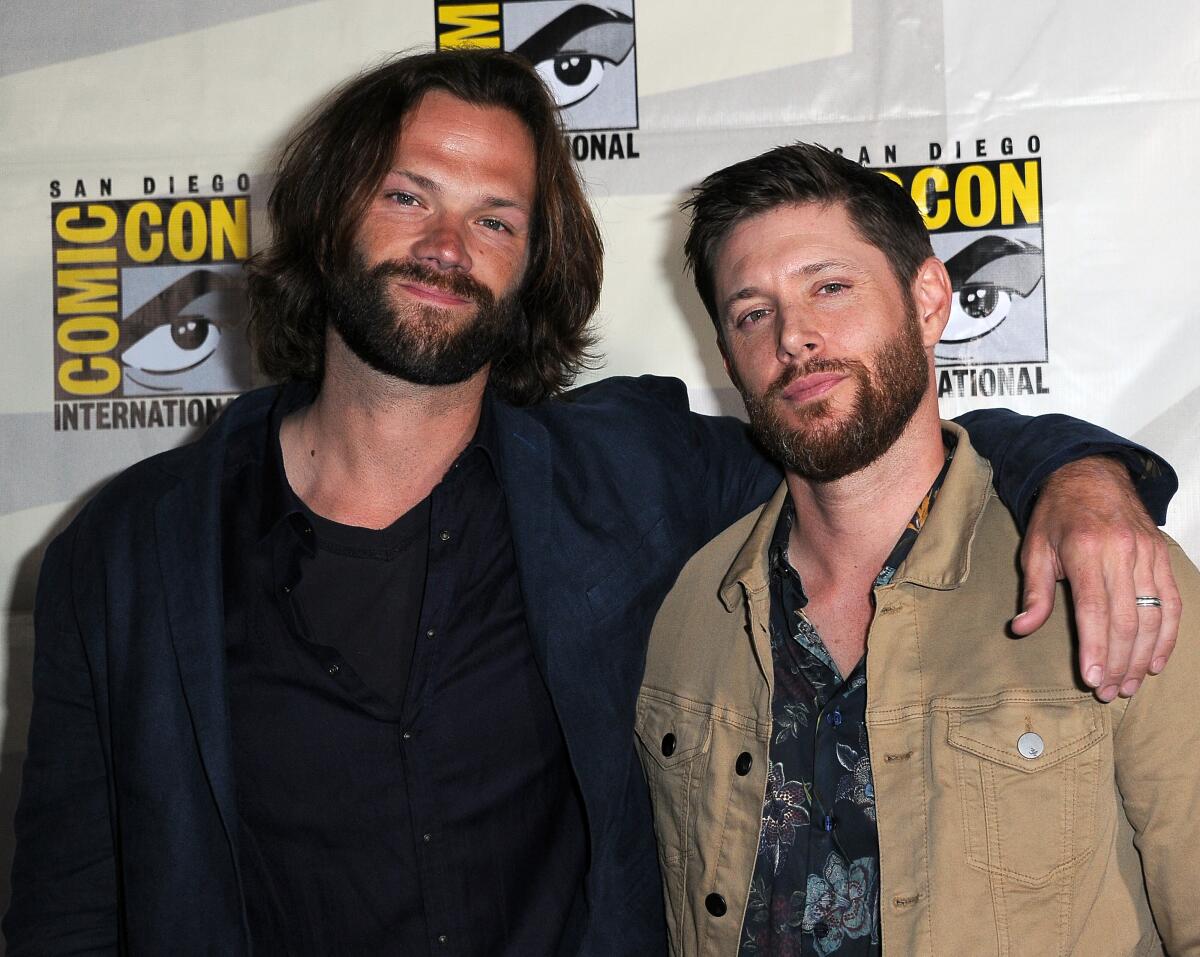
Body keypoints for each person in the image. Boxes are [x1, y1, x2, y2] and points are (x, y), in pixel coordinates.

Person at [3, 51, 1180, 957]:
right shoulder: (122, 553)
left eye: (497, 218)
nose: (448, 244)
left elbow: (860, 434)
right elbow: (67, 906)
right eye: (409, 195)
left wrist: (1084, 478)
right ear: (326, 214)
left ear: (533, 259)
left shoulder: (627, 479)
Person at [636, 142, 1196, 956]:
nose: (796, 336)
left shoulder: (1109, 575)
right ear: (727, 355)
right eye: (752, 312)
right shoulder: (693, 606)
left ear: (929, 298)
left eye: (830, 287)